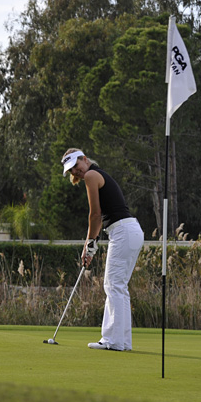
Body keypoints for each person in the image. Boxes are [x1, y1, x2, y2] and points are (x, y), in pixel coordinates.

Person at [61, 148, 144, 351]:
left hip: (123, 231)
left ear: (84, 159)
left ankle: (113, 341)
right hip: (130, 230)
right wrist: (91, 244)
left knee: (113, 285)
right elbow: (98, 218)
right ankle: (122, 342)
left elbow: (95, 215)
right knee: (118, 287)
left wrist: (89, 244)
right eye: (71, 171)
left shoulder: (91, 175)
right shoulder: (96, 174)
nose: (75, 172)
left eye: (75, 166)